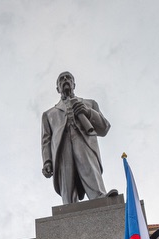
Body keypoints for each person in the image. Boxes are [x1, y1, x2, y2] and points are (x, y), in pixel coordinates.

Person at [41, 71, 112, 205]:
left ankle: (99, 196)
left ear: (74, 84)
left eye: (69, 78)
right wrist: (47, 161)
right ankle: (68, 206)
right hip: (62, 148)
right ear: (57, 88)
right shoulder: (49, 114)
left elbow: (104, 128)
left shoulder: (90, 104)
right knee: (67, 184)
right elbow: (46, 140)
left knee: (90, 169)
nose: (65, 79)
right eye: (61, 79)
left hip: (84, 142)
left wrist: (88, 112)